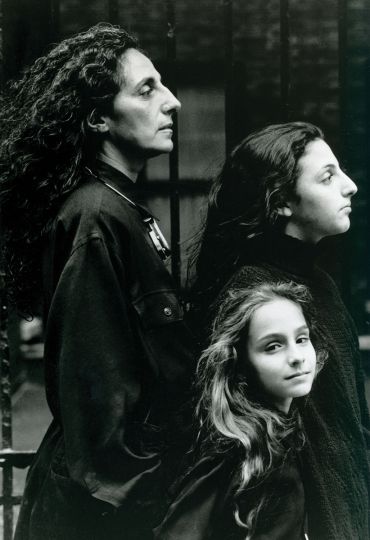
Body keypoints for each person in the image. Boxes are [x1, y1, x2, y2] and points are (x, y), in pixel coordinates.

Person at [0, 23, 196, 540]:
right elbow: (98, 405)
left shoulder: (120, 208)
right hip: (105, 515)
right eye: (147, 89)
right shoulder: (97, 215)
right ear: (97, 118)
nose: (172, 102)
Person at [188, 122, 370, 539]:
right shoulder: (256, 294)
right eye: (327, 176)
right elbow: (247, 432)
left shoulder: (317, 282)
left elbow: (348, 418)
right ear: (282, 200)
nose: (350, 186)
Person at [155, 281, 326, 539]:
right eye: (273, 346)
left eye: (302, 339)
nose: (297, 356)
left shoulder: (273, 433)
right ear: (241, 363)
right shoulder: (254, 455)